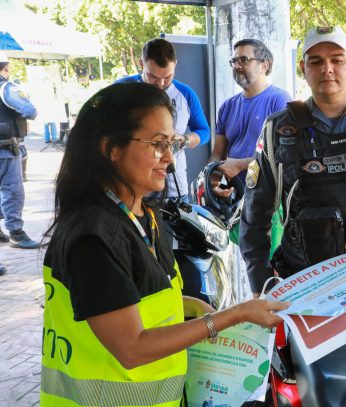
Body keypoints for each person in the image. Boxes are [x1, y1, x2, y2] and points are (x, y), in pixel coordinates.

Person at [40, 82, 288, 406]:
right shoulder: (91, 238)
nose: (169, 159)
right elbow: (132, 347)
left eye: (171, 143)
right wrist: (232, 316)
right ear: (110, 148)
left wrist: (188, 305)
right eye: (158, 145)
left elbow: (140, 296)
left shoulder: (145, 214)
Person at [239, 26, 346, 352]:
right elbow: (254, 215)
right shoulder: (279, 130)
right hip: (307, 286)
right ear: (303, 68)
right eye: (316, 61)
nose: (327, 69)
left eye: (336, 59)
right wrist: (260, 285)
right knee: (318, 387)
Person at [116, 38, 210, 202]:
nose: (160, 84)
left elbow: (204, 132)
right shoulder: (121, 89)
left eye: (168, 77)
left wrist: (185, 140)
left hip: (174, 190)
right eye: (153, 76)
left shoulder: (185, 94)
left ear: (175, 64)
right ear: (141, 63)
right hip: (131, 187)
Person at [210, 38, 292, 196]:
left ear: (264, 65)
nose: (237, 66)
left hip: (270, 198)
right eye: (234, 61)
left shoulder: (280, 100)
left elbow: (284, 155)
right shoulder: (227, 106)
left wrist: (240, 165)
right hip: (235, 196)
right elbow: (217, 153)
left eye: (244, 60)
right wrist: (212, 184)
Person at [0, 51, 41, 250]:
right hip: (5, 149)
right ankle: (16, 232)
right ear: (5, 68)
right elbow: (29, 110)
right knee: (12, 191)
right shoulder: (7, 88)